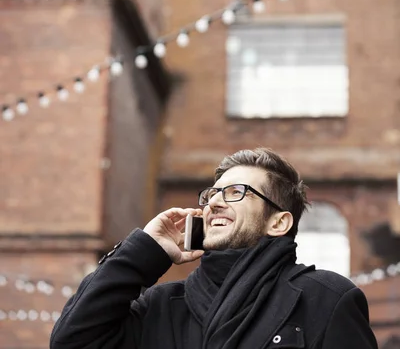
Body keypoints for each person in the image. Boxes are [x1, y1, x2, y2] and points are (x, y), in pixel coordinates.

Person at [50, 148, 378, 349]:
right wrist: (145, 250)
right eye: (212, 194)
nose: (216, 202)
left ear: (278, 223)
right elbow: (73, 341)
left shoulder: (326, 299)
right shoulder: (162, 306)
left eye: (236, 192)